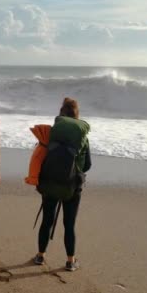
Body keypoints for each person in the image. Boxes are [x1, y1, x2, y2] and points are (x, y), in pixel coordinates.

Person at [34, 98, 91, 271]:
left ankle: (40, 256)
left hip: (50, 183)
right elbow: (87, 164)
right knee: (69, 224)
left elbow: (40, 156)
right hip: (72, 187)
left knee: (47, 221)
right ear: (76, 116)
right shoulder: (82, 137)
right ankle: (70, 261)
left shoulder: (51, 134)